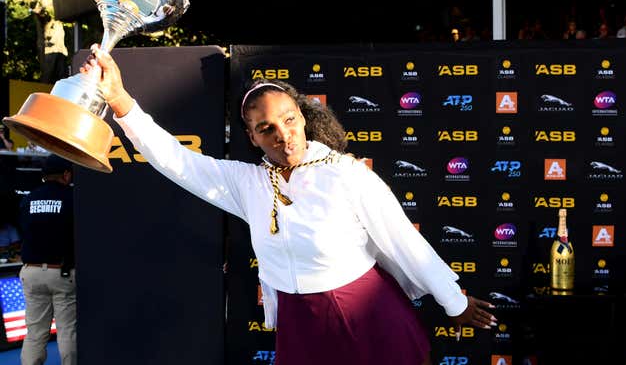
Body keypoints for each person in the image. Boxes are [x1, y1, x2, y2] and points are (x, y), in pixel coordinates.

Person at [81, 45, 497, 365]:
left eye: (289, 119)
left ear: (301, 115)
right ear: (252, 137)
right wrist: (119, 100)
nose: (282, 134)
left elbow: (404, 240)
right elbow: (176, 160)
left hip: (367, 314)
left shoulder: (346, 174)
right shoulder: (247, 183)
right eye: (266, 129)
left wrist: (454, 302)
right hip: (301, 325)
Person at [19, 154, 76, 365]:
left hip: (31, 271)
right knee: (67, 331)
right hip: (61, 272)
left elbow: (24, 229)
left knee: (35, 332)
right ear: (66, 174)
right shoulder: (72, 198)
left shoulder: (28, 199)